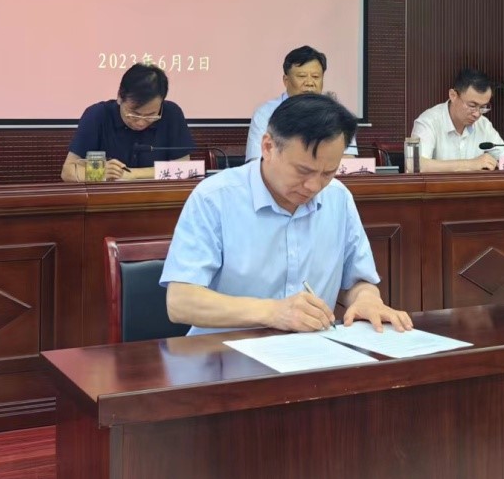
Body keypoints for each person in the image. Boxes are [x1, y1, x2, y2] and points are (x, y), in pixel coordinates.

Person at [163, 92, 412, 335]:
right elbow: (180, 302)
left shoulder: (338, 197)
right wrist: (273, 312)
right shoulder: (215, 198)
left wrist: (367, 299)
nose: (314, 186)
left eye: (328, 173)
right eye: (303, 171)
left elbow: (358, 280)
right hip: (222, 355)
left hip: (309, 352)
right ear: (268, 147)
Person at [62, 63, 195, 181]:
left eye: (151, 116)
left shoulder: (171, 113)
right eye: (134, 114)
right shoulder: (97, 115)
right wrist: (100, 172)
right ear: (120, 97)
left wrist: (132, 174)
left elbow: (185, 167)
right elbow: (68, 172)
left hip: (160, 197)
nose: (141, 122)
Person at [244, 45, 358, 162]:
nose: (309, 83)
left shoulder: (336, 114)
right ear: (286, 80)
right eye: (302, 76)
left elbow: (348, 160)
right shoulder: (265, 113)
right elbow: (257, 161)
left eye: (315, 77)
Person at [410, 66, 504, 171]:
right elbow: (414, 165)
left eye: (483, 107)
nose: (477, 114)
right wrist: (470, 164)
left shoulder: (483, 125)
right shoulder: (429, 122)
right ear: (453, 95)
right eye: (472, 105)